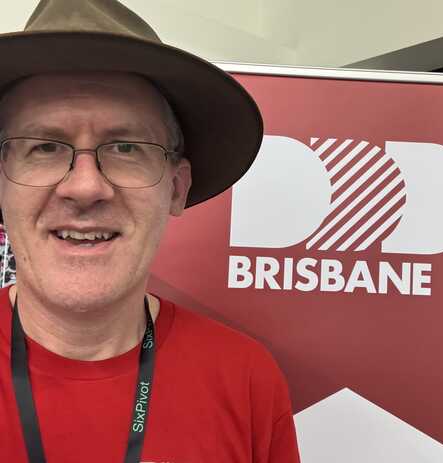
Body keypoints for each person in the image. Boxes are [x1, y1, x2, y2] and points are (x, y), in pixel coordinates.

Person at [0, 1, 300, 462]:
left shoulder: (246, 379)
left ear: (176, 189)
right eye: (43, 146)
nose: (85, 187)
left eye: (125, 147)